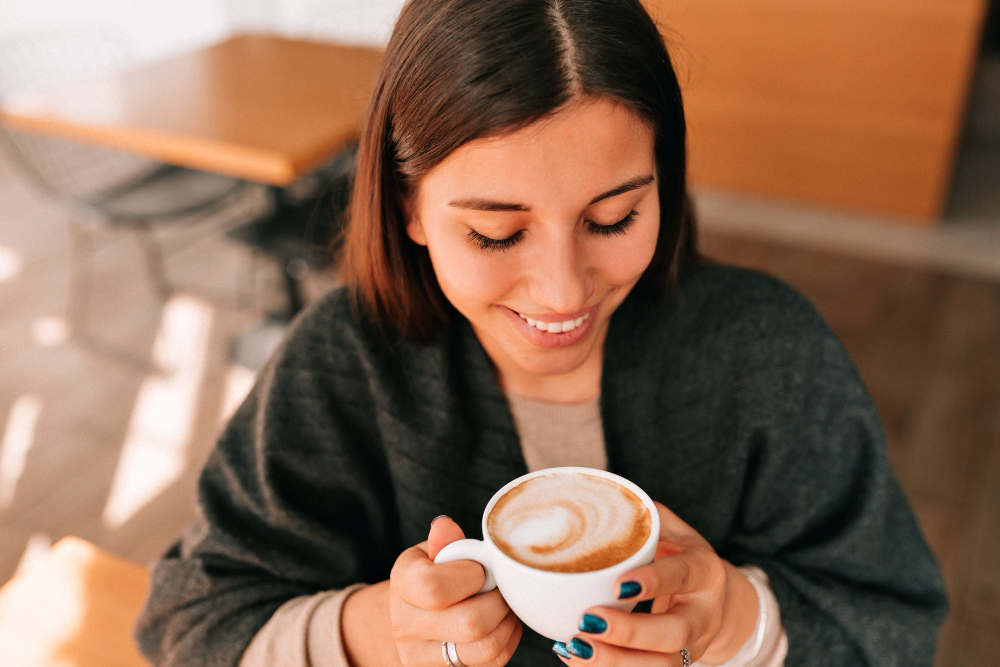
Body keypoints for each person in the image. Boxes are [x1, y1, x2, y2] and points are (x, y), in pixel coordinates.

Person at [135, 0, 948, 665]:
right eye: (495, 233)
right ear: (409, 207)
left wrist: (740, 622)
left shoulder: (770, 353)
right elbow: (185, 623)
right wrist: (380, 632)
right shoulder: (345, 361)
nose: (563, 290)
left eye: (614, 216)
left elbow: (896, 623)